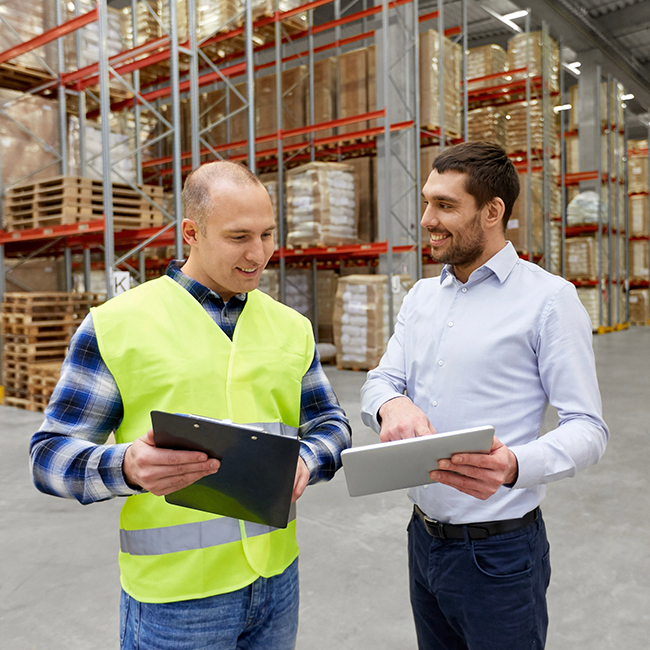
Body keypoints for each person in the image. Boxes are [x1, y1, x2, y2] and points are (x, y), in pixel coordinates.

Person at [30, 160, 352, 650]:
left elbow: (330, 423)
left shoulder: (291, 326)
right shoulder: (117, 325)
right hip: (176, 599)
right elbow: (49, 456)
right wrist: (127, 466)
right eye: (239, 236)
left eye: (268, 234)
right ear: (192, 232)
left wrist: (307, 460)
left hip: (276, 579)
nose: (258, 254)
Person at [360, 141, 608, 650]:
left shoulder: (547, 300)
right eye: (428, 201)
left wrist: (514, 464)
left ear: (493, 211)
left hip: (500, 554)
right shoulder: (422, 297)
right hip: (423, 541)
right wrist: (392, 404)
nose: (428, 218)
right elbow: (379, 380)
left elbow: (588, 428)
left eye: (446, 206)